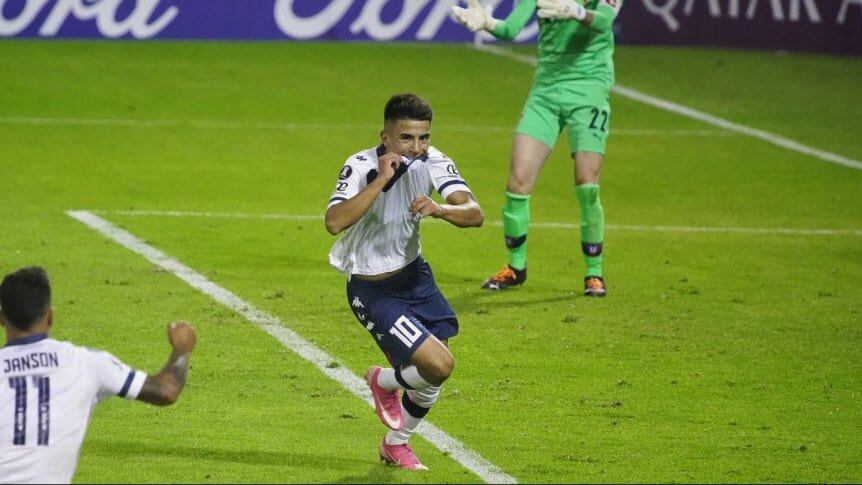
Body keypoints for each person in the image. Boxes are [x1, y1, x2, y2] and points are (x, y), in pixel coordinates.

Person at [325, 94, 484, 470]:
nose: (416, 147)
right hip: (373, 289)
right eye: (406, 139)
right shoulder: (361, 165)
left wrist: (440, 208)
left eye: (423, 138)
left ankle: (396, 443)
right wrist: (382, 179)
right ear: (385, 137)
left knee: (430, 376)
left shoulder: (435, 162)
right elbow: (334, 222)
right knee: (440, 366)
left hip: (416, 278)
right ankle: (383, 381)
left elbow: (475, 213)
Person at [452, 0, 623, 296]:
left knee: (586, 181)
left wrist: (576, 10)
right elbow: (512, 27)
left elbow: (603, 22)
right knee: (518, 181)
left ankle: (594, 273)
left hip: (589, 91)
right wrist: (487, 23)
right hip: (545, 93)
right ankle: (516, 268)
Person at [0, 267, 196, 484]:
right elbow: (167, 390)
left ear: (1, 318)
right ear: (50, 316)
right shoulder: (86, 362)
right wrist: (182, 347)